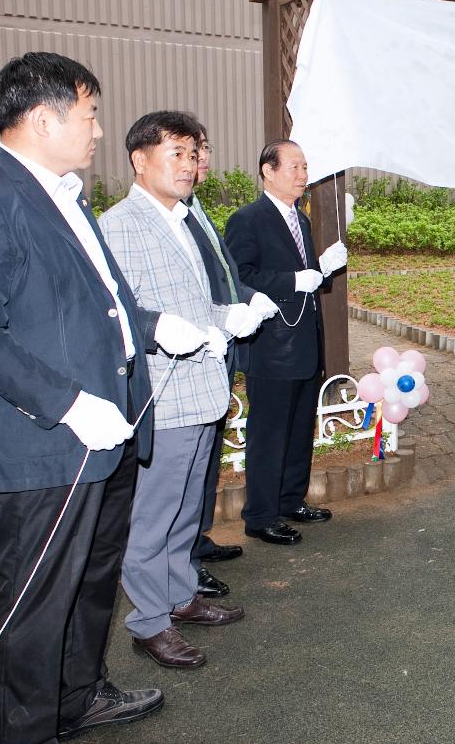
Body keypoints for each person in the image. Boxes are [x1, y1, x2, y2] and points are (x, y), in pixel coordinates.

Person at [0, 52, 208, 741]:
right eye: (88, 115)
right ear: (43, 118)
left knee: (89, 584)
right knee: (34, 608)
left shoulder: (67, 197)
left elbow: (101, 306)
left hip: (106, 440)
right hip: (46, 446)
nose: (99, 130)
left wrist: (152, 326)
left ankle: (78, 695)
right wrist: (69, 402)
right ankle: (28, 727)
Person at [100, 111, 264, 668]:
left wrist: (229, 317)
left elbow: (195, 307)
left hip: (202, 388)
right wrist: (168, 329)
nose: (191, 165)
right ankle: (148, 621)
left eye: (194, 154)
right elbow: (120, 314)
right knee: (155, 512)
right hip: (162, 395)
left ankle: (178, 595)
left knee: (186, 507)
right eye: (177, 153)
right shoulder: (120, 225)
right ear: (139, 159)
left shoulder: (183, 219)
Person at [224, 140, 348, 544]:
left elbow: (307, 277)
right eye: (293, 166)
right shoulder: (248, 220)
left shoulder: (303, 220)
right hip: (271, 347)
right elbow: (240, 278)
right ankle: (260, 514)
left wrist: (322, 270)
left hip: (304, 343)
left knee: (298, 429)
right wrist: (295, 281)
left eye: (305, 167)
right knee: (269, 433)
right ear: (268, 171)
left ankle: (290, 499)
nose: (302, 174)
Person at [183, 122, 275, 599]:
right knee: (184, 468)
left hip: (217, 346)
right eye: (191, 154)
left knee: (205, 459)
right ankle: (183, 562)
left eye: (202, 152)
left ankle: (194, 540)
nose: (201, 163)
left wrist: (248, 300)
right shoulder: (169, 214)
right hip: (190, 354)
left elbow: (224, 276)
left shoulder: (194, 209)